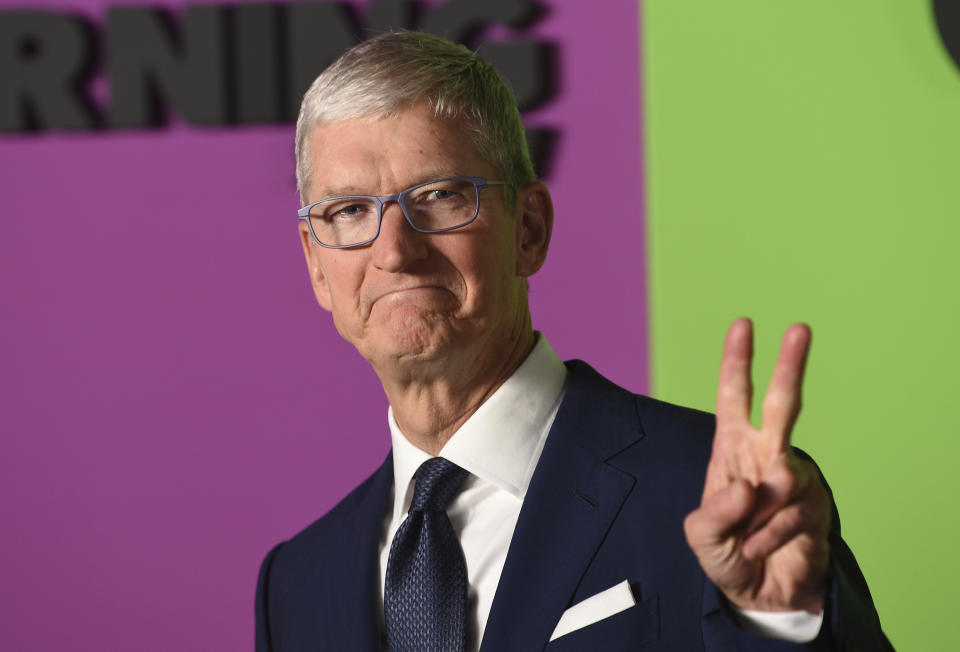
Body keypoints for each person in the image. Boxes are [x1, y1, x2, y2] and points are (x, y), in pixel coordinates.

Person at [255, 31, 891, 651]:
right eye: (348, 212)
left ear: (529, 229)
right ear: (317, 266)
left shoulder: (720, 496)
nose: (394, 250)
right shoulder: (298, 583)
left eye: (441, 196)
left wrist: (776, 625)